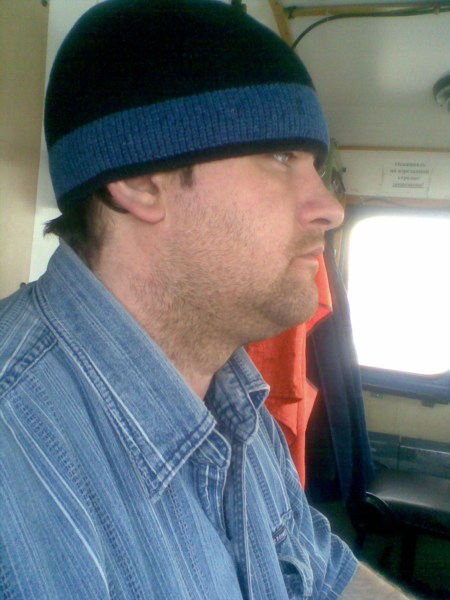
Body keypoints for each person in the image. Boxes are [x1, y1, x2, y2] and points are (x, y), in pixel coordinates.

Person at [0, 1, 412, 598]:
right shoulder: (17, 455)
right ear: (141, 180)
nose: (330, 208)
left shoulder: (235, 398)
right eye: (280, 157)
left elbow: (323, 576)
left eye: (316, 166)